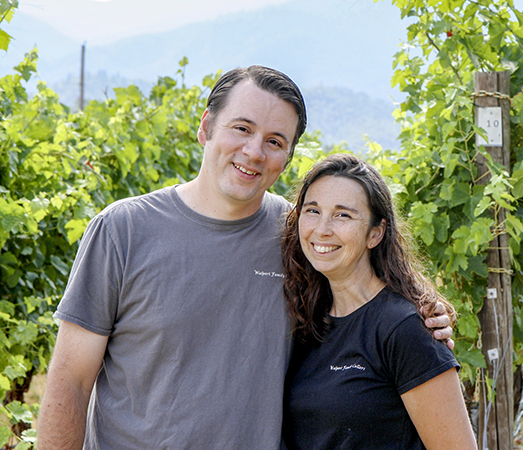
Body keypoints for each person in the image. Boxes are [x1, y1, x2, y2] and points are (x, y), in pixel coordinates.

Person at [37, 66, 452, 449]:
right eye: (242, 128)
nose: (254, 152)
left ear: (287, 157)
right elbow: (70, 382)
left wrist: (424, 311)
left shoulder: (301, 237)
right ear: (206, 128)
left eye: (274, 141)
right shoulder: (123, 230)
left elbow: (364, 298)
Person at [281, 153, 478, 450]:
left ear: (375, 233)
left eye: (342, 215)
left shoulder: (404, 327)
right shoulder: (305, 317)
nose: (322, 228)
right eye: (312, 211)